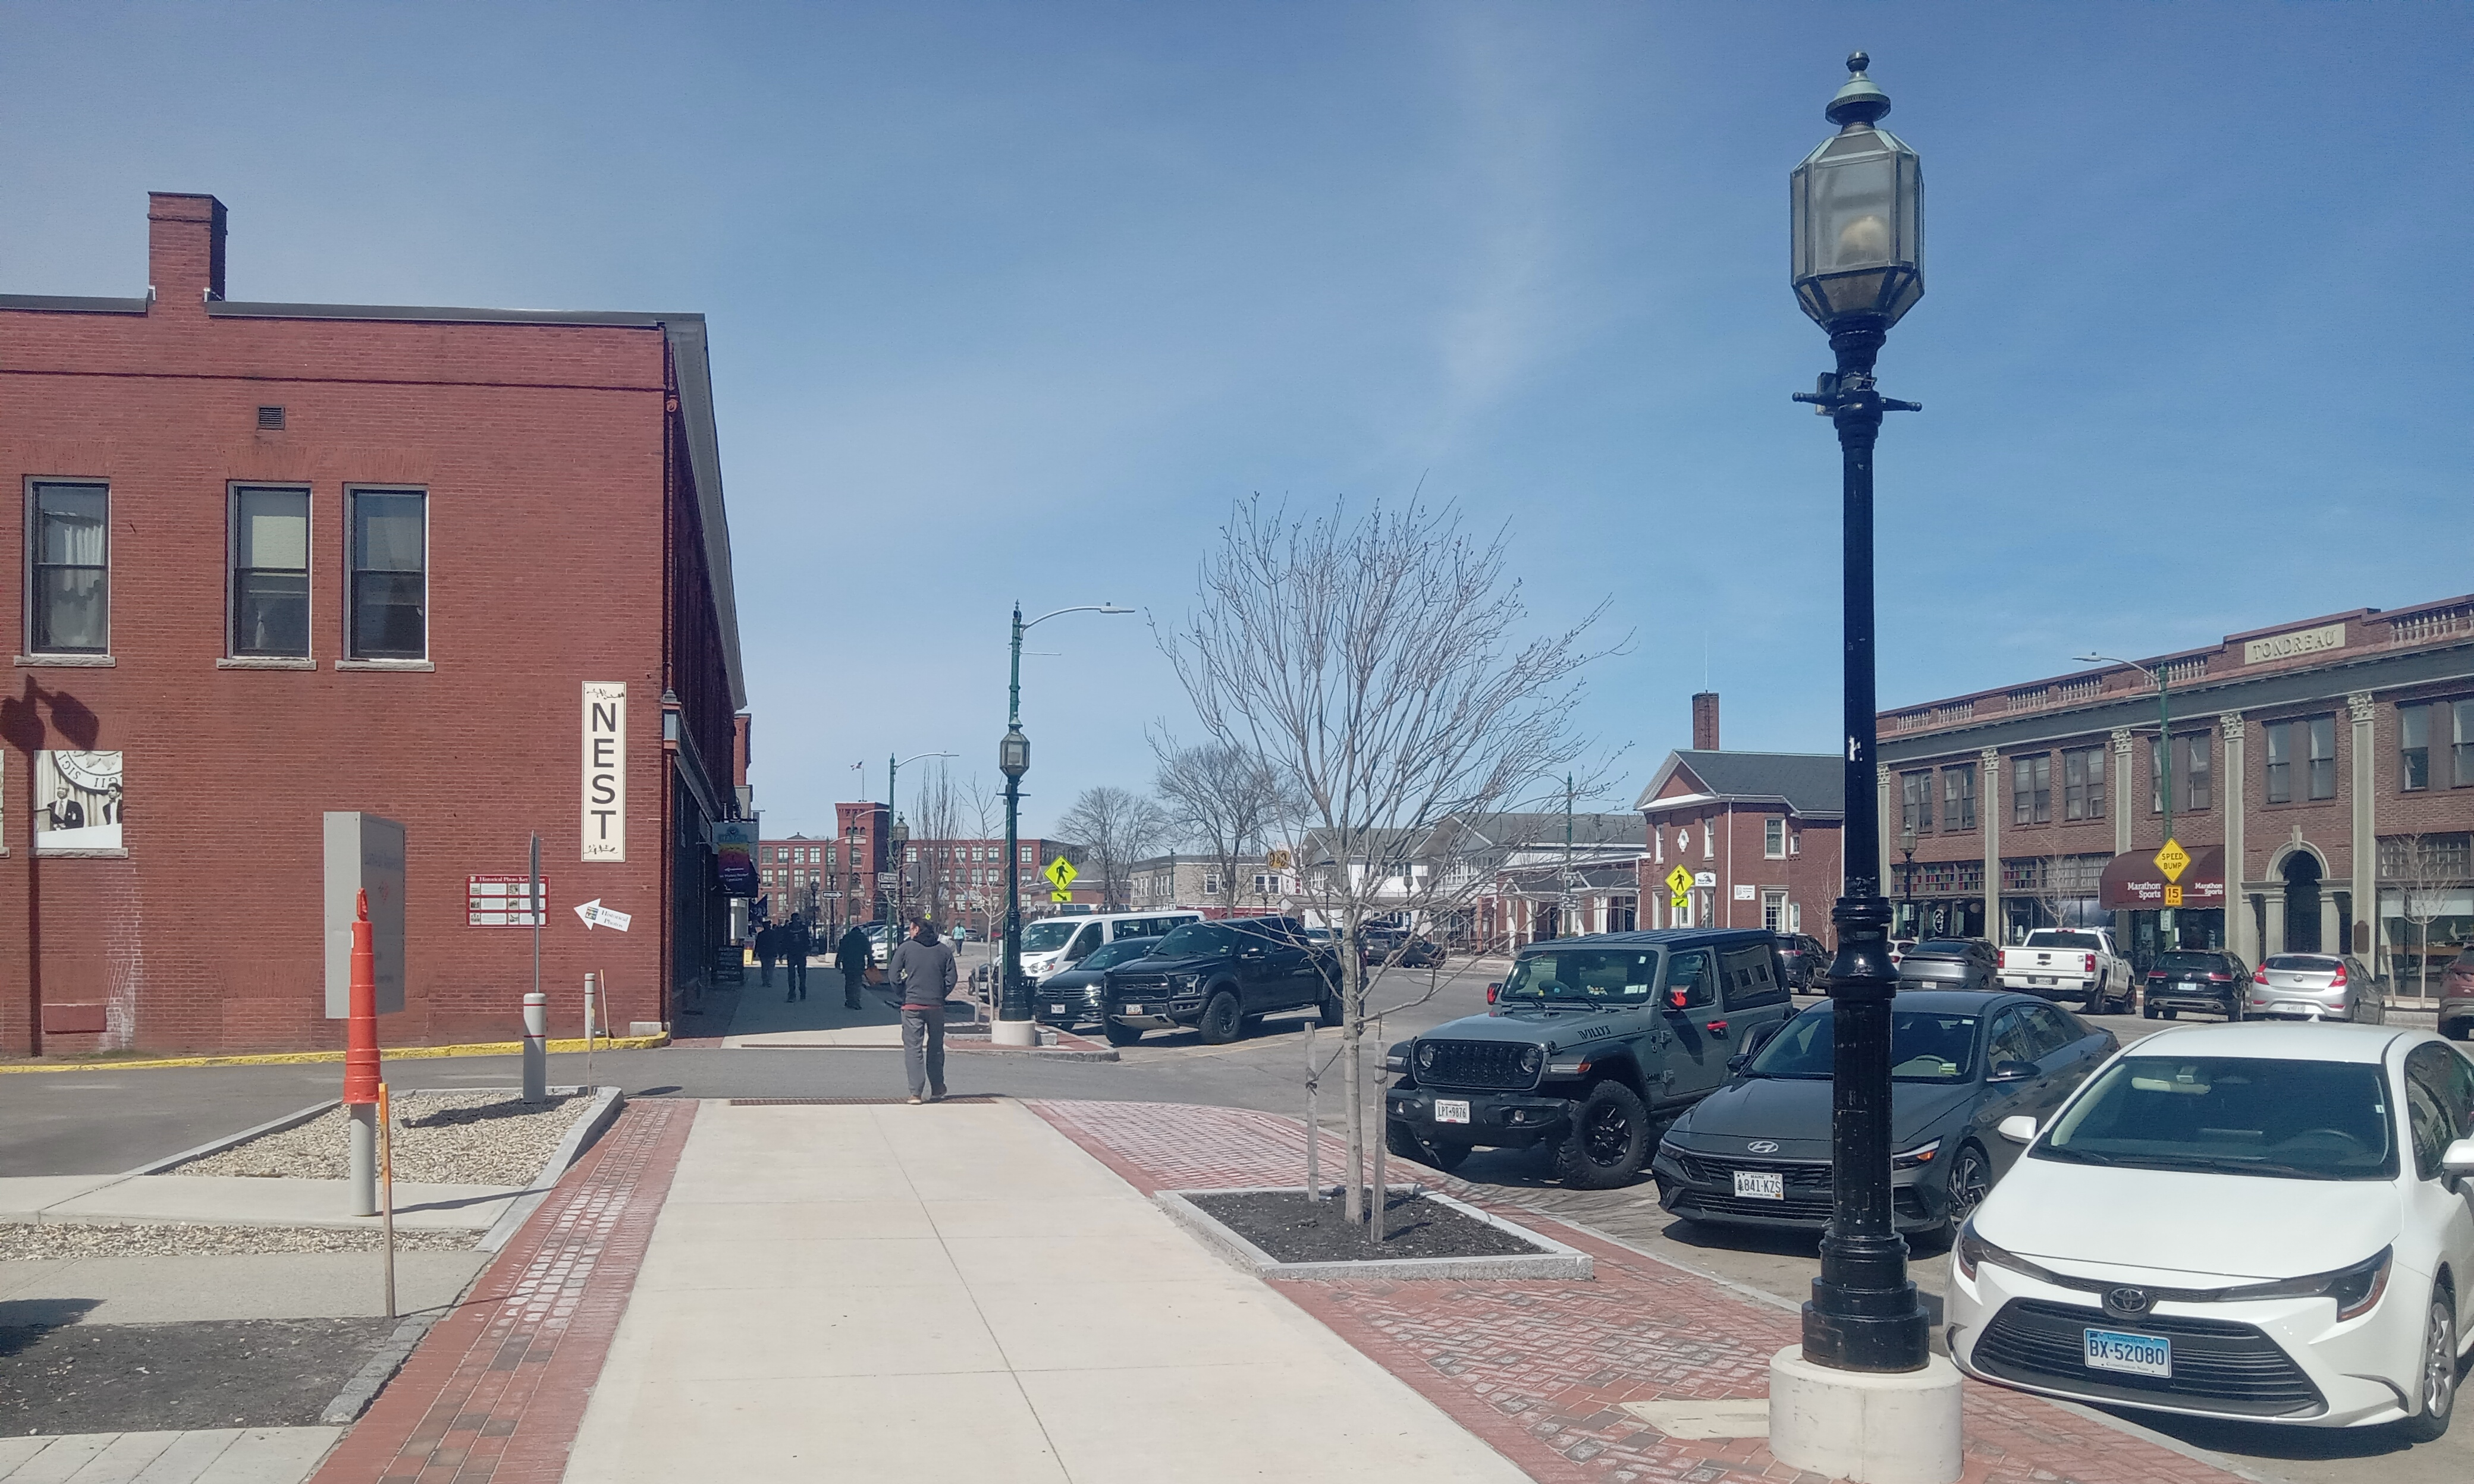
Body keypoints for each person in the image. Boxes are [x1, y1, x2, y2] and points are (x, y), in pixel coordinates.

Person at [888, 916, 957, 1103]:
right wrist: (941, 993)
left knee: (913, 1048)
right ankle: (937, 1087)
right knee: (935, 1047)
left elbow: (893, 976)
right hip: (936, 1005)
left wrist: (903, 993)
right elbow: (952, 978)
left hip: (911, 1005)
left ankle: (916, 1092)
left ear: (917, 930)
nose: (910, 932)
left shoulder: (905, 948)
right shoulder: (944, 951)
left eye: (911, 929)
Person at [836, 921, 873, 1010]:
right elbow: (868, 953)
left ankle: (849, 1000)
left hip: (847, 964)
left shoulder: (847, 938)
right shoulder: (863, 939)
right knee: (857, 983)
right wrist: (871, 963)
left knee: (849, 983)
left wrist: (837, 962)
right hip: (859, 964)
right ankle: (856, 1001)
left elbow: (841, 951)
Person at [784, 916, 812, 1002]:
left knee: (802, 975)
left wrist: (807, 950)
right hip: (791, 954)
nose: (796, 922)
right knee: (791, 975)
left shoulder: (804, 929)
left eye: (798, 920)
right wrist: (783, 952)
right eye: (795, 920)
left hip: (801, 954)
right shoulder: (788, 929)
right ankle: (792, 994)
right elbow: (785, 941)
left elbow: (807, 940)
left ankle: (803, 991)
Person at [756, 920, 778, 988]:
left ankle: (765, 981)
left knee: (764, 968)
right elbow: (776, 943)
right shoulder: (774, 934)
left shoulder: (761, 934)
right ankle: (769, 982)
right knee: (771, 968)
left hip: (763, 953)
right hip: (772, 953)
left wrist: (757, 952)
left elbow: (758, 944)